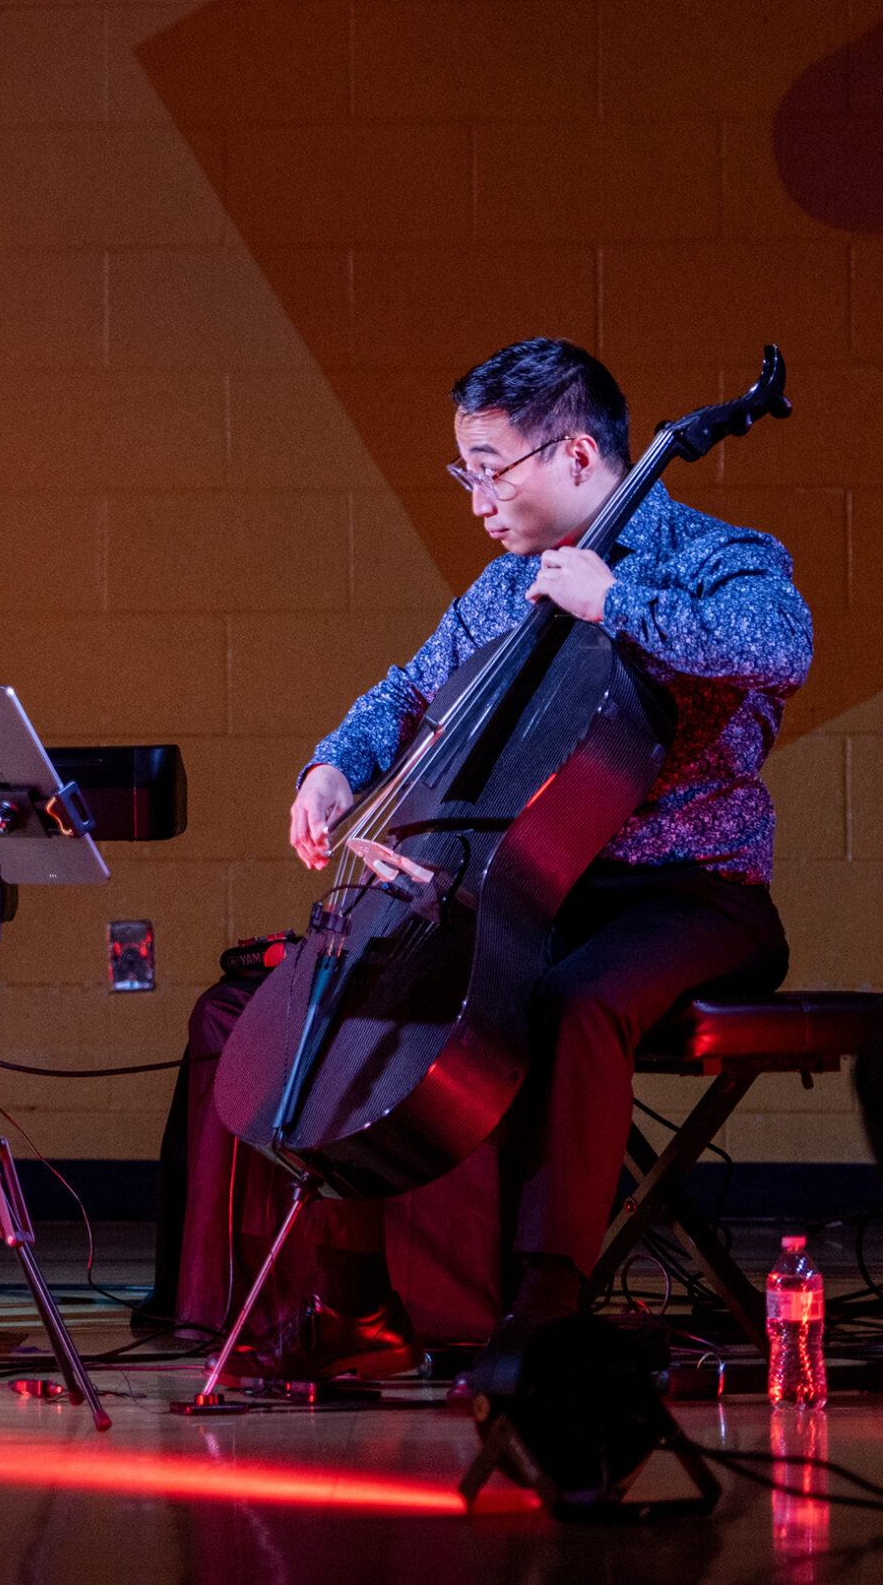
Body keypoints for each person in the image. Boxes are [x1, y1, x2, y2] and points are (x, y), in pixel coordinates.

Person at [265, 337, 807, 1377]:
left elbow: (779, 643)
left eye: (488, 465)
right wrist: (334, 766)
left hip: (694, 899)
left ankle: (545, 1309)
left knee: (572, 999)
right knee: (362, 981)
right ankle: (356, 1309)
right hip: (540, 890)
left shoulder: (710, 553)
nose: (473, 494)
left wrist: (615, 602)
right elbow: (402, 695)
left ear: (572, 453)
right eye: (462, 469)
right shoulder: (497, 590)